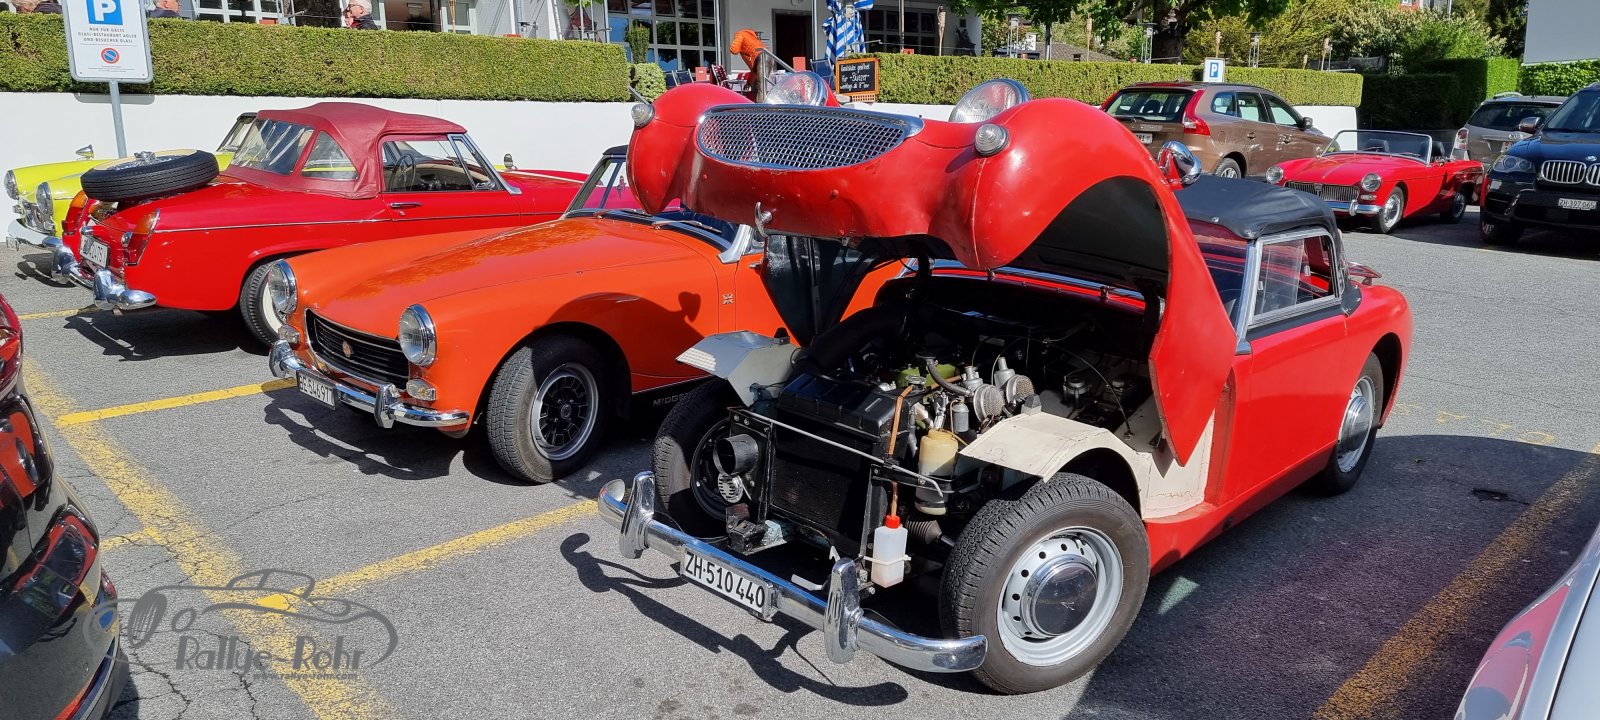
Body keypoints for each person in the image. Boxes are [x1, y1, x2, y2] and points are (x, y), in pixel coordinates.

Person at [729, 28, 767, 102]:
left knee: (760, 86)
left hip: (761, 57)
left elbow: (734, 50)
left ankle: (761, 106)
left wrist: (735, 45)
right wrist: (749, 83)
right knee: (758, 85)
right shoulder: (754, 43)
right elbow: (754, 70)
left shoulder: (740, 34)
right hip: (767, 57)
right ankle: (757, 104)